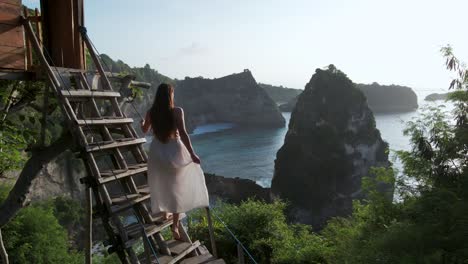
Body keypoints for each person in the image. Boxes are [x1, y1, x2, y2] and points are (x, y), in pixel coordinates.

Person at [140, 83, 209, 240]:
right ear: (170, 95)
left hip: (157, 150)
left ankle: (165, 213)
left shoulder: (151, 112)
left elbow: (144, 130)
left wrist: (141, 123)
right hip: (174, 149)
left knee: (162, 182)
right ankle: (175, 226)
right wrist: (192, 154)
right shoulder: (177, 111)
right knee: (178, 187)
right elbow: (184, 134)